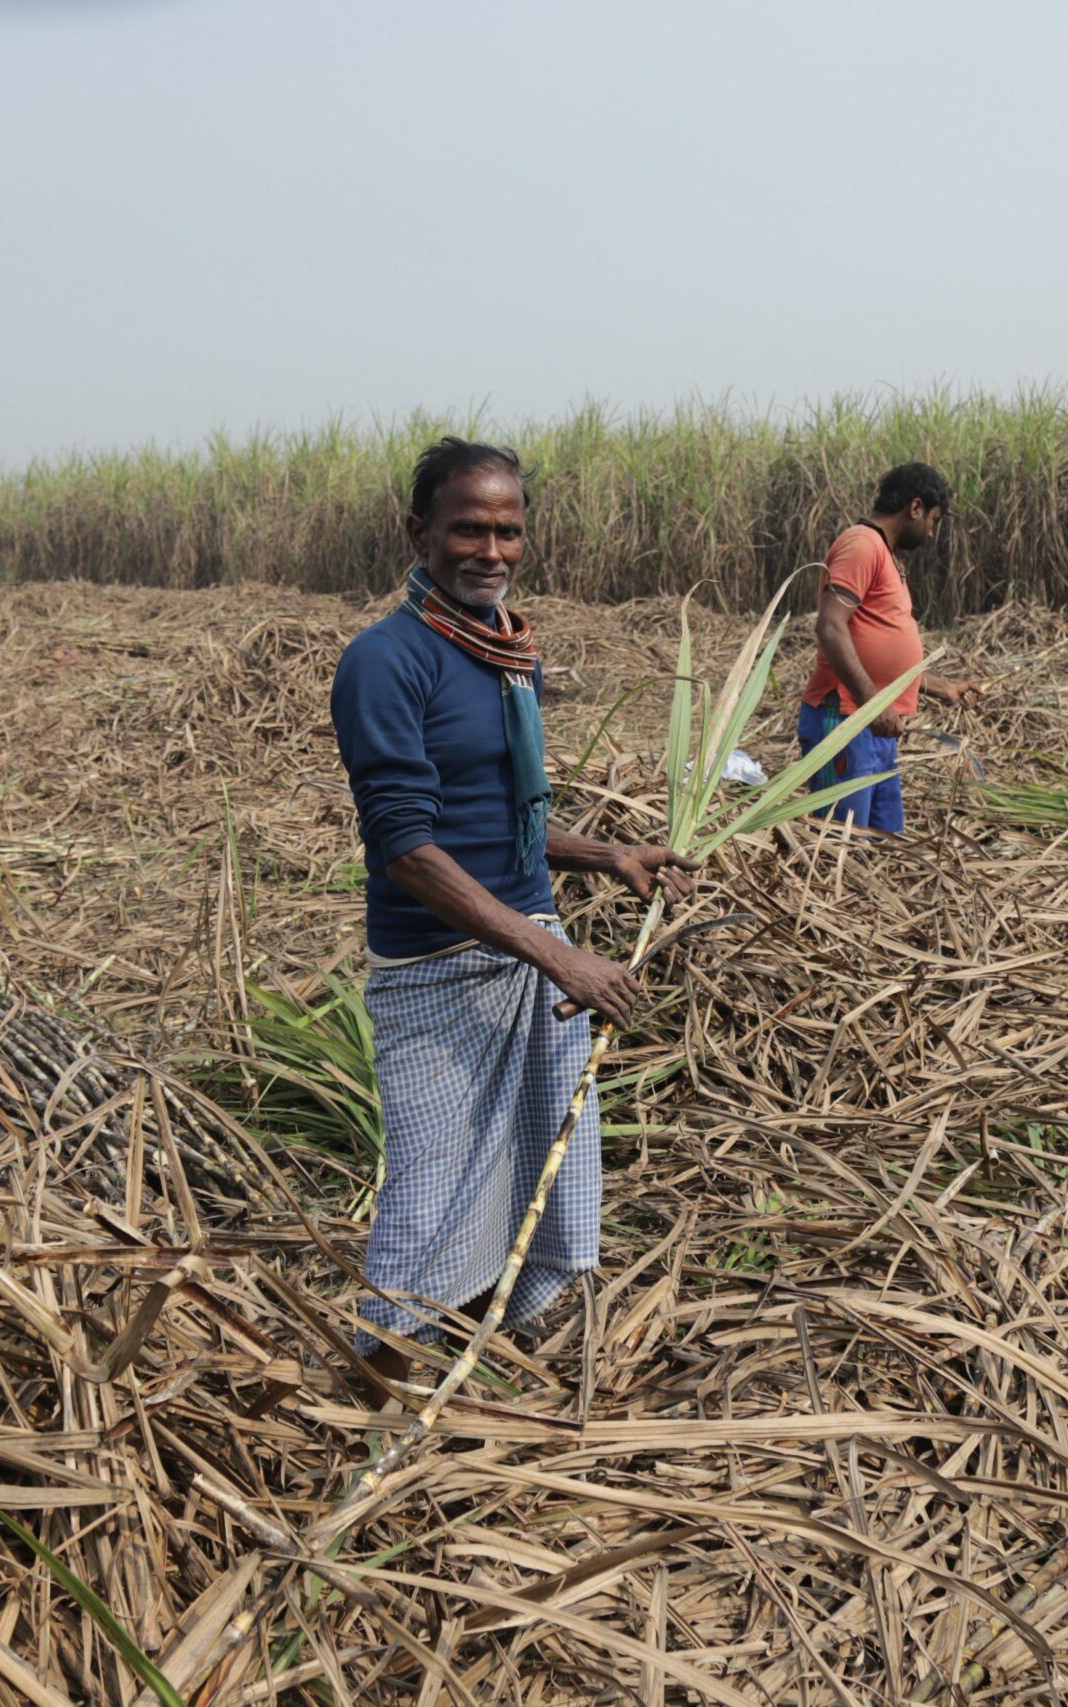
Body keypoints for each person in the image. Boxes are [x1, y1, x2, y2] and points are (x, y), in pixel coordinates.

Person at [330, 437, 698, 1383]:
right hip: (439, 968)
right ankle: (380, 1385)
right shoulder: (385, 661)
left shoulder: (505, 653)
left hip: (530, 949)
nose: (489, 551)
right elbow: (408, 848)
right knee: (432, 1187)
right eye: (467, 529)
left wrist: (606, 853)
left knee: (531, 1168)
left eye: (508, 531)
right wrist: (559, 957)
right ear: (418, 532)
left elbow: (502, 818)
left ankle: (475, 1347)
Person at [797, 463, 983, 832]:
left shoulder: (884, 554)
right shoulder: (861, 545)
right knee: (843, 852)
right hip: (846, 719)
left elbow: (878, 644)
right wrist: (873, 702)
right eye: (934, 519)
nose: (932, 533)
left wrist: (943, 687)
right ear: (915, 508)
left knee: (885, 844)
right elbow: (831, 627)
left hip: (875, 726)